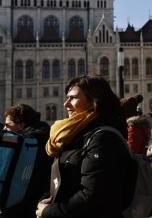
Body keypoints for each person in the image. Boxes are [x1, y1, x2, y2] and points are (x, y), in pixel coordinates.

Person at [36, 75, 133, 218]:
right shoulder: (76, 134)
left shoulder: (102, 138)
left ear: (93, 102)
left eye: (73, 98)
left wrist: (49, 211)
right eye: (67, 97)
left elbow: (93, 196)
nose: (66, 104)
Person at [2, 104, 51, 218]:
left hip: (23, 205)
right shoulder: (44, 137)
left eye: (8, 125)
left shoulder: (27, 143)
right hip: (38, 203)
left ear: (21, 124)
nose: (5, 129)